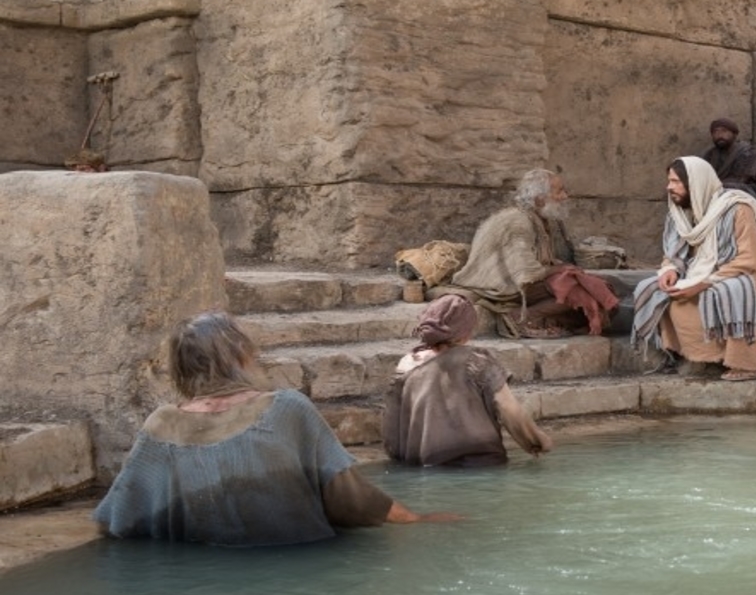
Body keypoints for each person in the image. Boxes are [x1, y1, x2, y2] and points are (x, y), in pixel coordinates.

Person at [93, 312, 454, 547]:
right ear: (240, 357)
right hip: (298, 571)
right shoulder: (286, 408)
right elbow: (351, 501)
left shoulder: (160, 425)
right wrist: (417, 520)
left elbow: (117, 519)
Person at [631, 157, 756, 381]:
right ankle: (691, 356)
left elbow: (749, 259)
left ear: (695, 183)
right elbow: (673, 254)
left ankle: (745, 363)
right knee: (653, 290)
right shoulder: (680, 212)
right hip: (699, 272)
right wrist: (670, 271)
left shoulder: (737, 209)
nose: (669, 187)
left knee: (731, 291)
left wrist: (704, 283)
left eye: (676, 182)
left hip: (752, 273)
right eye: (669, 181)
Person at [384, 295, 553, 467]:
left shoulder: (407, 364)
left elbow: (392, 426)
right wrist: (536, 442)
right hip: (481, 464)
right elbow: (508, 409)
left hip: (426, 466)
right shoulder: (478, 361)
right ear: (464, 333)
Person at [448, 168, 619, 338]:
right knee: (572, 287)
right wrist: (559, 270)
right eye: (559, 192)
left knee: (595, 285)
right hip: (498, 282)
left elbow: (541, 260)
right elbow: (525, 272)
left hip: (522, 279)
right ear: (540, 199)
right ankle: (519, 318)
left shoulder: (538, 218)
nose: (565, 197)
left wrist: (561, 267)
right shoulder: (518, 221)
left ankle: (550, 321)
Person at [699, 118, 756, 204]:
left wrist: (716, 186)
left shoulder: (750, 153)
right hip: (718, 189)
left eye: (724, 131)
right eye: (715, 132)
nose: (719, 135)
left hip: (747, 189)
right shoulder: (709, 155)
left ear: (734, 134)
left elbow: (742, 178)